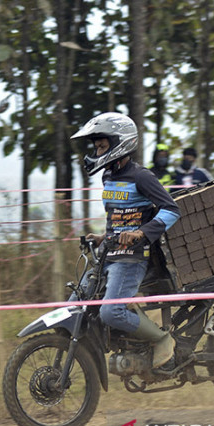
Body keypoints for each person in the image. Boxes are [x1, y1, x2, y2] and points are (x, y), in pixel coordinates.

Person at [71, 112, 181, 371]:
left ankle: (162, 339)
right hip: (108, 255)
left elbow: (171, 210)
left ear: (120, 142)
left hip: (133, 258)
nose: (97, 151)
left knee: (111, 312)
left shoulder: (142, 176)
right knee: (77, 303)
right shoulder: (108, 176)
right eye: (96, 146)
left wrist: (141, 233)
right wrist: (102, 237)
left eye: (102, 146)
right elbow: (118, 216)